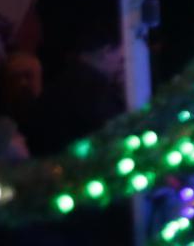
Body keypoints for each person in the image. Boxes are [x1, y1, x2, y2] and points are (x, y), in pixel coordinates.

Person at [27, 22, 126, 155]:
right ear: (106, 52)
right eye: (121, 60)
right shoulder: (94, 91)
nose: (122, 67)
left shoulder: (61, 80)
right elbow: (117, 135)